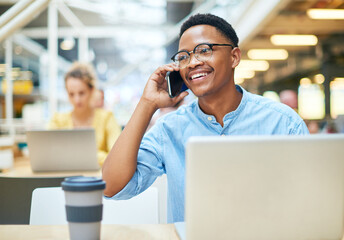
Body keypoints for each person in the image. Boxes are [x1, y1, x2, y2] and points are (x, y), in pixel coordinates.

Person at [102, 13, 309, 223]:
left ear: (234, 57)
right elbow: (111, 187)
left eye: (204, 50)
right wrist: (147, 104)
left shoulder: (283, 123)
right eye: (183, 57)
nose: (192, 62)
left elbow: (309, 200)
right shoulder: (169, 129)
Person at [48, 62, 121, 166]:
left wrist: (73, 155)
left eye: (81, 93)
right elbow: (49, 154)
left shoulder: (107, 118)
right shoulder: (57, 120)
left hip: (99, 179)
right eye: (71, 94)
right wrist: (97, 156)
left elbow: (117, 156)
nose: (77, 100)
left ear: (91, 90)